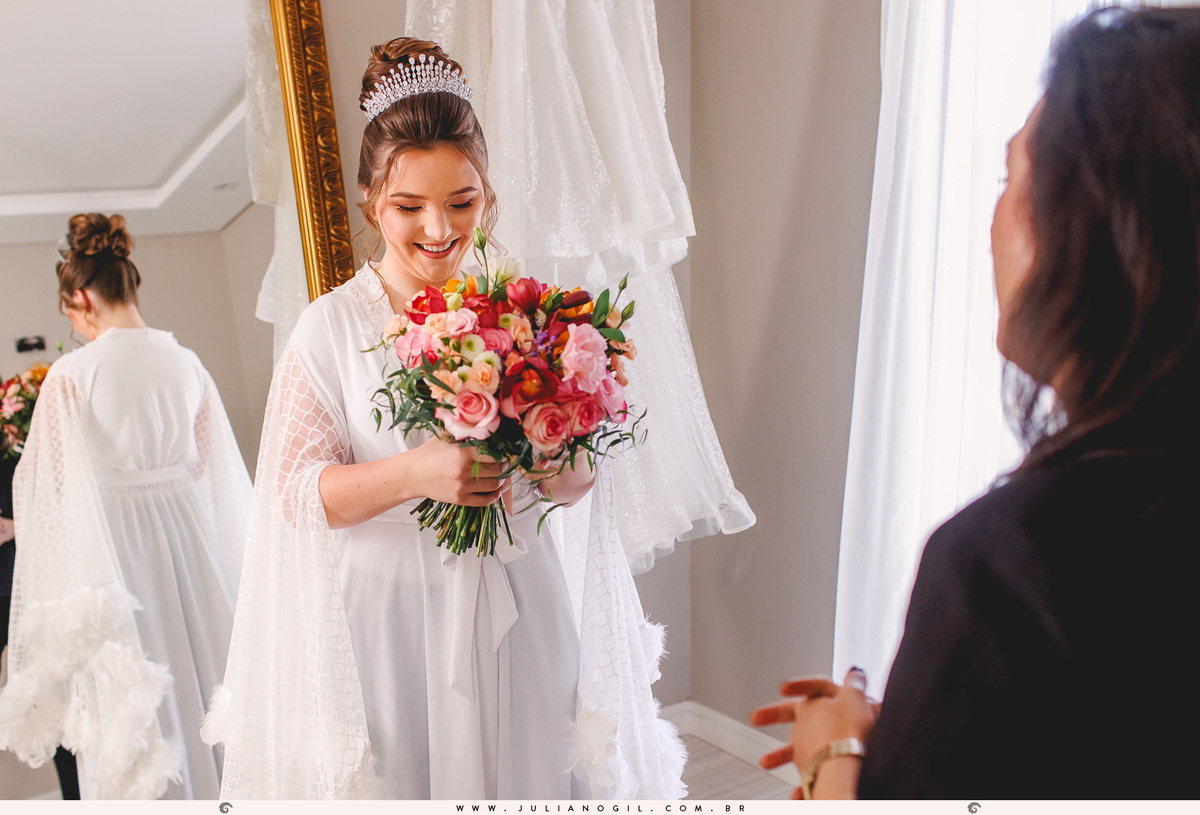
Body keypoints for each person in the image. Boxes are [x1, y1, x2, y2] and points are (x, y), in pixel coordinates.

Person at [202, 37, 685, 800]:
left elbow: (580, 480)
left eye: (462, 202)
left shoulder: (527, 309)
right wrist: (416, 472)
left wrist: (555, 450)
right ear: (370, 202)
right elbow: (291, 492)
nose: (438, 229)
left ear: (487, 192)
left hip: (523, 599)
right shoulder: (328, 329)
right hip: (393, 621)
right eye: (409, 206)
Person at [751, 6, 1200, 799]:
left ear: (1095, 229)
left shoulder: (1008, 565)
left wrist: (836, 757)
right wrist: (941, 716)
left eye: (1012, 180)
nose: (989, 226)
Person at [0, 214, 251, 799]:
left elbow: (46, 490)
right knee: (209, 679)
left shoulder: (70, 375)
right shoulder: (188, 363)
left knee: (142, 709)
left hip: (115, 554)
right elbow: (209, 468)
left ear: (81, 296)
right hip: (191, 547)